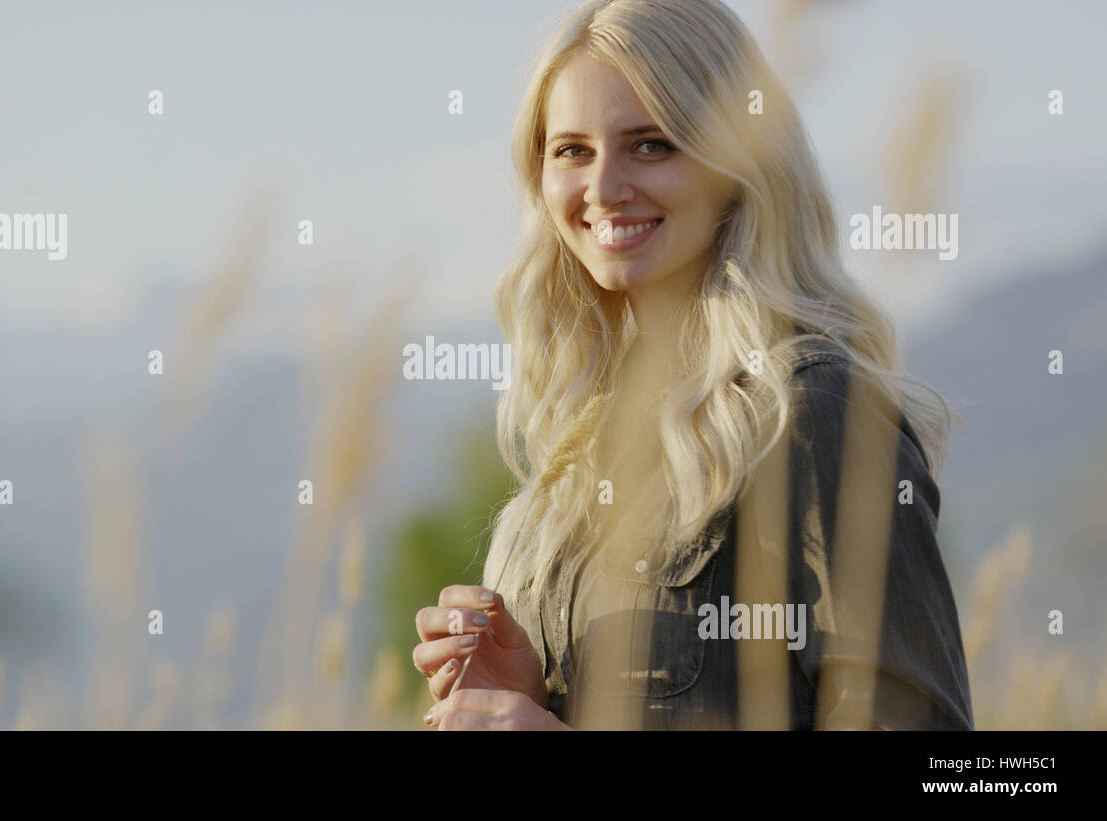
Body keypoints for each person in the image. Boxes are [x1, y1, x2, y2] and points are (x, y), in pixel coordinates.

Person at [412, 0, 973, 730]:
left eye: (651, 144)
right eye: (572, 150)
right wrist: (540, 691)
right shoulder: (576, 443)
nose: (604, 186)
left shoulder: (815, 415)